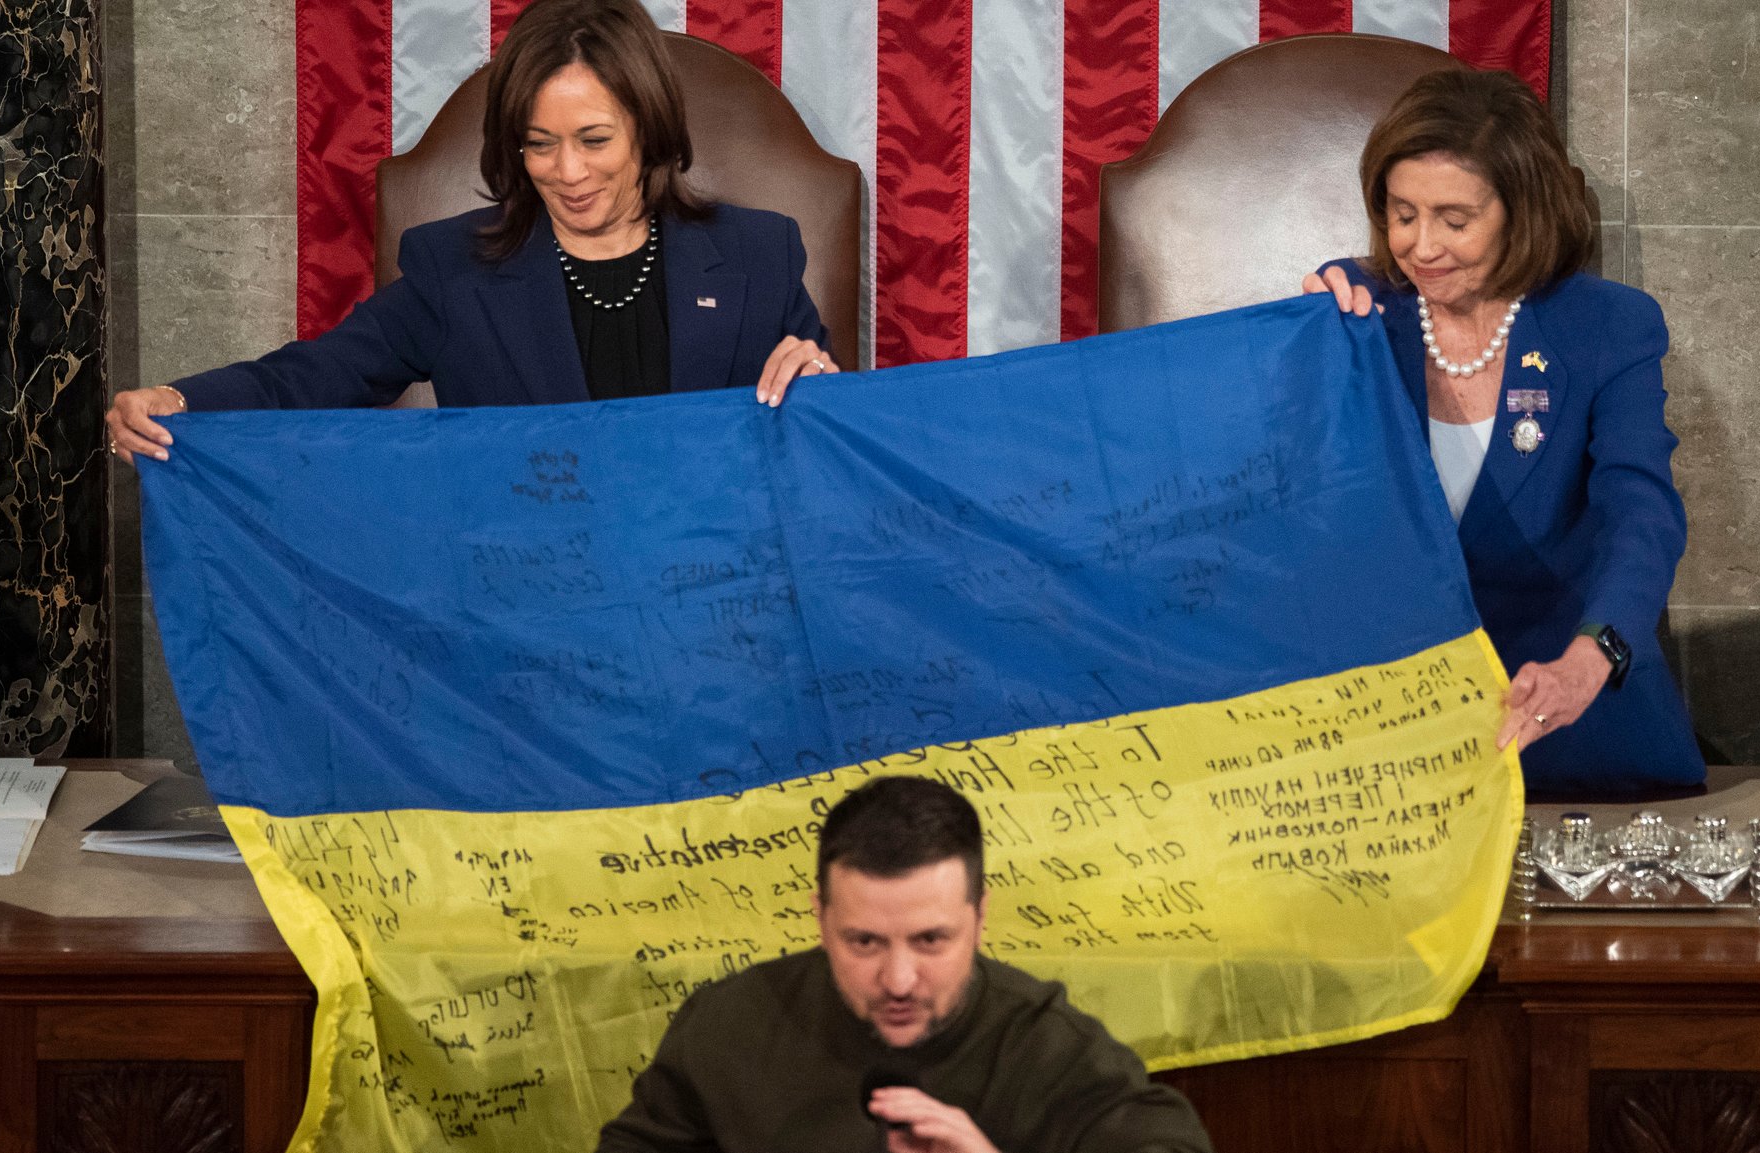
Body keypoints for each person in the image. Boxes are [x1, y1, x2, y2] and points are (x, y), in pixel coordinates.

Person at [106, 0, 835, 465]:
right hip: (524, 623)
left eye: (593, 138)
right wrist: (182, 401)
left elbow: (826, 441)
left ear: (648, 130)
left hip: (713, 611)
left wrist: (825, 391)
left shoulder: (758, 255)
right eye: (538, 142)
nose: (566, 171)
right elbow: (316, 377)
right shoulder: (452, 269)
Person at [1305, 68, 1704, 794]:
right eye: (1402, 214)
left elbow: (1641, 514)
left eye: (1455, 221)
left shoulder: (1609, 326)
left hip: (1568, 724)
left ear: (1523, 211)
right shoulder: (1351, 314)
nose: (1422, 246)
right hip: (1388, 745)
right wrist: (1300, 343)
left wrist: (1595, 653)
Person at [593, 776, 1213, 1153]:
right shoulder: (730, 1024)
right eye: (864, 942)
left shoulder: (1045, 1045)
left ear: (979, 918)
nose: (898, 980)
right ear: (820, 917)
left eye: (930, 941)